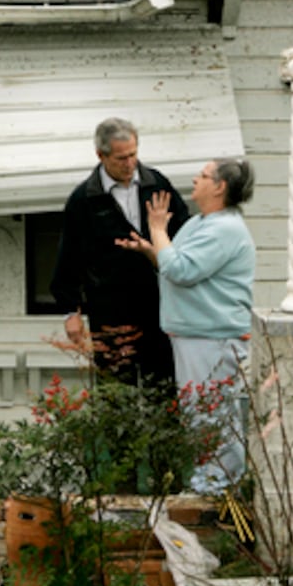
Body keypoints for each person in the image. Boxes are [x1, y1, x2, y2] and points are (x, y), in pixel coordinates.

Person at [122, 159, 256, 494]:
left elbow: (181, 270)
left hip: (213, 338)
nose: (195, 179)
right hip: (194, 335)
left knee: (211, 414)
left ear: (220, 186)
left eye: (204, 175)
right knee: (198, 414)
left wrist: (157, 228)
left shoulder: (224, 229)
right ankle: (209, 482)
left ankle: (219, 486)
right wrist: (151, 250)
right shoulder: (201, 222)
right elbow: (174, 266)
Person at [50, 117, 190, 386]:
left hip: (159, 303)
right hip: (109, 308)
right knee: (115, 387)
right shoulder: (83, 199)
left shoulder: (157, 184)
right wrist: (70, 311)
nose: (130, 164)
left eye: (133, 155)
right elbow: (69, 257)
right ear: (101, 155)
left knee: (164, 385)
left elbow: (184, 234)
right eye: (121, 158)